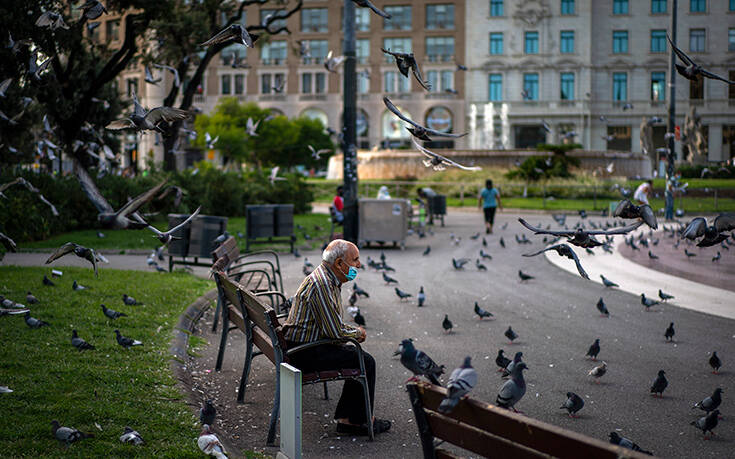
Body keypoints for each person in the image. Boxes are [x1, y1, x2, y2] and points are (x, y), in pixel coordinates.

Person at [282, 240, 391, 436]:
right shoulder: (322, 284)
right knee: (364, 360)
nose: (358, 265)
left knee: (354, 355)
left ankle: (349, 418)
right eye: (355, 260)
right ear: (340, 264)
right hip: (303, 353)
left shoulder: (327, 277)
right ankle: (356, 422)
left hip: (302, 345)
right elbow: (333, 332)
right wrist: (357, 333)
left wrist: (349, 332)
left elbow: (330, 324)